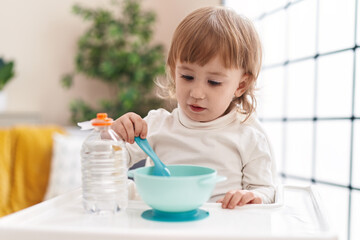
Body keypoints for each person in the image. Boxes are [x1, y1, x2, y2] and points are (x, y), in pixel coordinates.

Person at [112, 6, 276, 209]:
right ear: (174, 72)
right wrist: (115, 136)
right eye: (187, 77)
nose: (197, 93)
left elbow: (266, 191)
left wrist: (252, 197)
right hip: (162, 225)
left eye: (214, 82)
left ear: (240, 85)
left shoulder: (249, 136)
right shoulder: (155, 125)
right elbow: (109, 163)